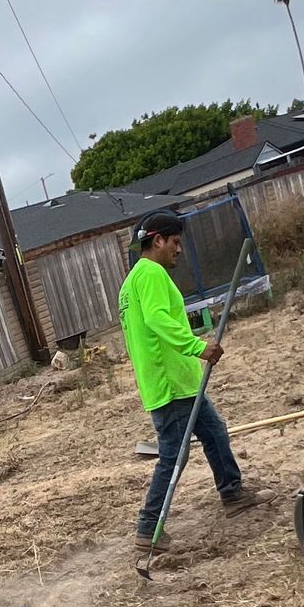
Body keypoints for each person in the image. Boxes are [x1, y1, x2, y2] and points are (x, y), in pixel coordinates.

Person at [117, 212, 254, 559]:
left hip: (178, 382)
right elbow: (158, 319)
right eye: (175, 242)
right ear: (158, 240)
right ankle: (148, 529)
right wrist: (197, 346)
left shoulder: (132, 281)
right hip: (171, 385)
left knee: (215, 432)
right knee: (173, 456)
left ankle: (232, 493)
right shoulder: (150, 274)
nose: (179, 249)